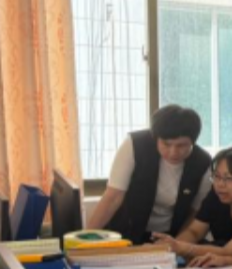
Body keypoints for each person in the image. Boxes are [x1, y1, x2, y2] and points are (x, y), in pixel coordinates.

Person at [88, 104, 212, 244]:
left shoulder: (203, 163)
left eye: (181, 145)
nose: (173, 152)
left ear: (193, 142)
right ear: (155, 138)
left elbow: (194, 213)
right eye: (166, 144)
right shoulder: (135, 145)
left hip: (170, 236)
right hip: (125, 231)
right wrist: (85, 239)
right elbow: (113, 197)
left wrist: (176, 244)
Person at [152, 146, 232, 262]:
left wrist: (182, 248)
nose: (220, 184)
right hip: (217, 266)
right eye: (216, 176)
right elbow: (194, 232)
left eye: (228, 178)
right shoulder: (217, 196)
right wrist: (173, 247)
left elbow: (229, 252)